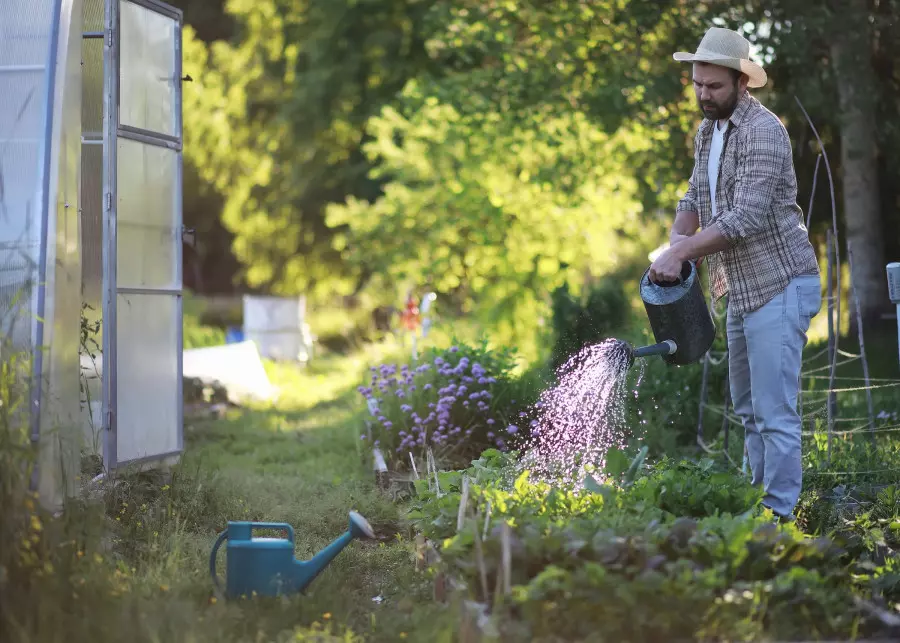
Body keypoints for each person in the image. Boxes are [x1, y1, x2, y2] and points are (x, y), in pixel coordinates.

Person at [648, 27, 822, 522]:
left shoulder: (764, 132)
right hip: (741, 291)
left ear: (741, 82)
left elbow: (742, 220)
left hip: (779, 284)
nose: (704, 94)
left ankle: (779, 517)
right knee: (748, 412)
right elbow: (692, 199)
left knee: (774, 415)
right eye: (698, 84)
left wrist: (680, 255)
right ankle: (756, 504)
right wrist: (673, 242)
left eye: (714, 86)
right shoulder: (709, 132)